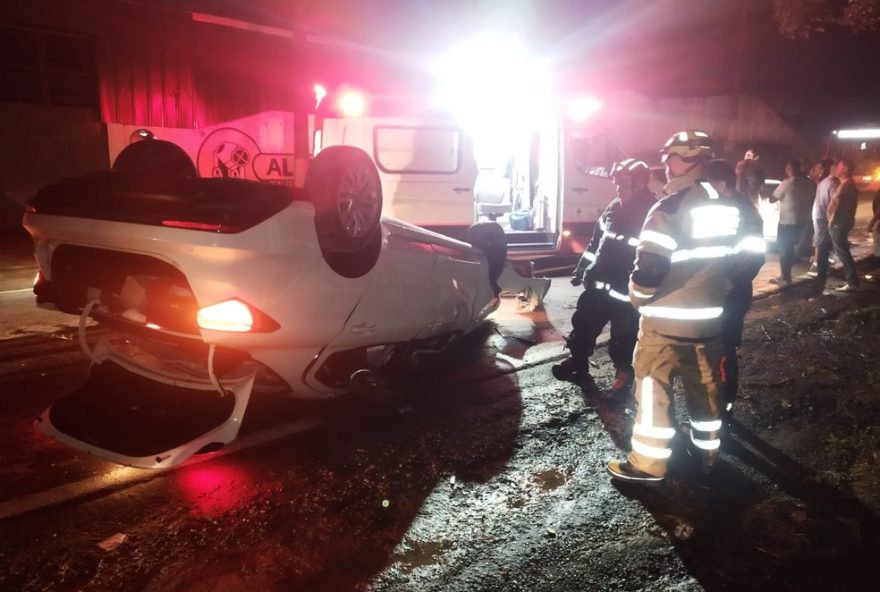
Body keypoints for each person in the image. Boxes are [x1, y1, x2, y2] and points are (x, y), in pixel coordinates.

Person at [606, 131, 766, 483]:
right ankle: (707, 452)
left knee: (653, 388)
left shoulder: (671, 206)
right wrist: (726, 284)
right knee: (706, 388)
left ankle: (648, 464)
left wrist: (637, 297)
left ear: (690, 159)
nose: (665, 163)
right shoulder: (728, 204)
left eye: (672, 157)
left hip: (665, 322)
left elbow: (649, 268)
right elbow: (744, 251)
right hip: (709, 320)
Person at [553, 159, 657, 392]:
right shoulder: (614, 207)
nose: (618, 188)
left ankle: (623, 377)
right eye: (617, 183)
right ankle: (578, 363)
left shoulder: (653, 213)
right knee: (583, 324)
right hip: (599, 282)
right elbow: (595, 243)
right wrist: (582, 270)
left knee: (624, 336)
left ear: (639, 184)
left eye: (623, 184)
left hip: (626, 289)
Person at [707, 160, 765, 413]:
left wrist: (730, 282)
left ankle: (725, 404)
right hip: (720, 291)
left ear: (721, 183)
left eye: (709, 184)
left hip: (732, 293)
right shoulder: (722, 206)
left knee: (724, 348)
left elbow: (756, 254)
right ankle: (715, 400)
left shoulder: (743, 209)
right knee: (714, 347)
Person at [770, 159, 816, 286]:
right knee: (792, 248)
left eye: (787, 168)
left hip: (787, 221)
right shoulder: (809, 183)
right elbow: (813, 199)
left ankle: (785, 277)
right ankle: (787, 275)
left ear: (789, 169)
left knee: (784, 248)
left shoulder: (787, 183)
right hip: (803, 220)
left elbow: (772, 199)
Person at [825, 159, 860, 291]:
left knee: (843, 252)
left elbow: (839, 205)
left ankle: (852, 282)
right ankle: (852, 281)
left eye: (839, 166)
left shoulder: (847, 185)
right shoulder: (845, 184)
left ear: (845, 168)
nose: (836, 168)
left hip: (839, 224)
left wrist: (832, 221)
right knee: (842, 251)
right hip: (839, 223)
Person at [808, 159, 838, 278]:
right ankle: (819, 265)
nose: (819, 170)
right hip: (822, 215)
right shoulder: (828, 182)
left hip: (821, 214)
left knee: (820, 240)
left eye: (821, 168)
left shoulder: (826, 181)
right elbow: (833, 201)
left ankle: (819, 265)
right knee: (821, 241)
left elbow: (833, 201)